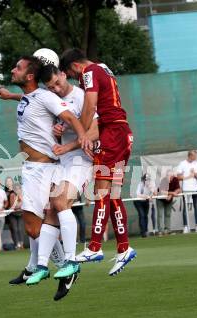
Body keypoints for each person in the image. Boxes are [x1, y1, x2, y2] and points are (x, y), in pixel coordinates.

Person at [0, 55, 88, 300]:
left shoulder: (45, 96)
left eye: (18, 67)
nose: (13, 70)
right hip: (33, 169)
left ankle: (57, 267)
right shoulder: (30, 96)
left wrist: (82, 138)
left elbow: (70, 117)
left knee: (34, 227)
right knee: (39, 225)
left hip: (42, 169)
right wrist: (10, 96)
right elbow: (31, 99)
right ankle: (49, 268)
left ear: (30, 76)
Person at [60, 48, 137, 276]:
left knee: (101, 191)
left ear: (74, 66)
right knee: (113, 194)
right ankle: (123, 247)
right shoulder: (104, 67)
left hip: (112, 133)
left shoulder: (89, 71)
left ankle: (94, 247)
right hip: (123, 133)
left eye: (71, 75)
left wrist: (81, 133)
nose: (77, 80)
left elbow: (90, 105)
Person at [176, 150, 197, 233]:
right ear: (190, 156)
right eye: (194, 156)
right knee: (185, 208)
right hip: (186, 189)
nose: (196, 158)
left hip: (195, 188)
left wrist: (194, 174)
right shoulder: (182, 164)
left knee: (196, 207)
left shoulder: (196, 164)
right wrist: (188, 176)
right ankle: (185, 227)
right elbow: (178, 176)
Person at [156, 170, 181, 235]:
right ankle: (160, 231)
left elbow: (178, 189)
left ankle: (167, 230)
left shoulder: (175, 179)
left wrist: (170, 195)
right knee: (160, 215)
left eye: (171, 176)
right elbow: (162, 191)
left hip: (169, 199)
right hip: (160, 199)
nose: (170, 178)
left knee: (168, 214)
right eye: (168, 176)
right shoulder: (164, 180)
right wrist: (172, 193)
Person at [4, 177, 25, 249]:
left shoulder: (22, 195)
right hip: (13, 214)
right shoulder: (12, 195)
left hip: (20, 214)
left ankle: (21, 244)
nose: (18, 190)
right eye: (16, 189)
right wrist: (18, 203)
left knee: (20, 228)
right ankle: (17, 245)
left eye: (19, 189)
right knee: (15, 228)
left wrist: (20, 203)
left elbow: (23, 204)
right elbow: (13, 206)